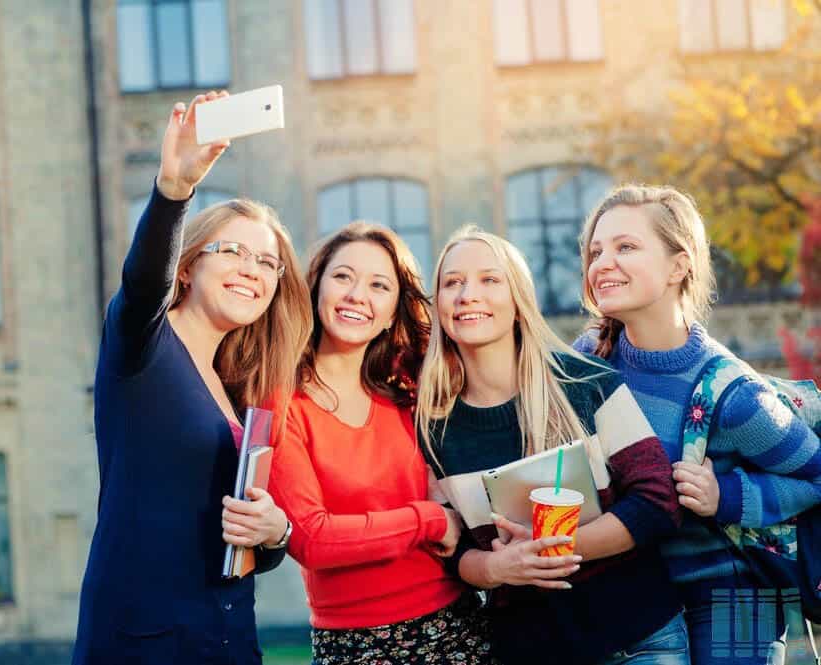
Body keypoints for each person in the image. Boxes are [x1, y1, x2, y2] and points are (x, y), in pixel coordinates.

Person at [71, 92, 313, 665]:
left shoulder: (236, 386)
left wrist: (274, 532)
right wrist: (174, 190)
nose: (252, 271)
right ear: (188, 264)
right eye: (233, 251)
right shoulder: (142, 347)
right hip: (145, 645)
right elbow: (142, 282)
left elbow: (233, 532)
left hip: (225, 638)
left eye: (267, 263)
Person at [415, 226, 688, 665]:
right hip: (528, 647)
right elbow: (451, 548)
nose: (468, 294)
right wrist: (495, 569)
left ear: (519, 300)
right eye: (452, 283)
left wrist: (554, 551)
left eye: (489, 279)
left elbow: (658, 502)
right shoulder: (431, 427)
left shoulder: (586, 383)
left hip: (638, 639)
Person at [575, 184, 821, 664]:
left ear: (678, 265)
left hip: (734, 599)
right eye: (596, 250)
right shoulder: (588, 362)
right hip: (633, 593)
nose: (602, 262)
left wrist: (724, 495)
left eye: (626, 247)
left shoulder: (732, 393)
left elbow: (815, 474)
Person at [269, 222, 492, 665]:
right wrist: (429, 521)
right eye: (342, 277)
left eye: (378, 285)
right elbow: (312, 538)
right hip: (355, 644)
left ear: (393, 311)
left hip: (458, 624)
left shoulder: (408, 390)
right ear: (316, 289)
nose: (357, 295)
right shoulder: (281, 399)